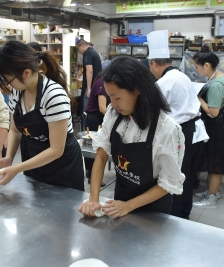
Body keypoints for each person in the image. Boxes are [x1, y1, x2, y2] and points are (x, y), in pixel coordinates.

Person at [78, 56, 185, 218]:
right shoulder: (114, 115)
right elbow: (100, 156)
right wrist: (93, 200)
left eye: (117, 97)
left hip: (153, 209)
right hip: (121, 199)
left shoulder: (166, 128)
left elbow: (168, 182)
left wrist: (129, 206)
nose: (112, 104)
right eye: (110, 97)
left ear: (137, 89)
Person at [0, 40, 84, 191]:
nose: (7, 86)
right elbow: (14, 130)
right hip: (33, 160)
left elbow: (56, 150)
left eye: (8, 81)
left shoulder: (53, 95)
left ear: (26, 73)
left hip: (62, 167)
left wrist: (17, 169)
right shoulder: (17, 91)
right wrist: (9, 158)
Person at [149, 57, 202, 219]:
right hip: (195, 131)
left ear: (154, 64)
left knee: (175, 177)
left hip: (180, 134)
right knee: (189, 177)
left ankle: (175, 218)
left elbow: (153, 112)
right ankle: (185, 213)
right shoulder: (183, 75)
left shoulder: (163, 83)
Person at [192, 45, 224, 209]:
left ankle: (212, 198)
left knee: (215, 165)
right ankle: (210, 191)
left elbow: (214, 112)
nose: (196, 70)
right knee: (212, 162)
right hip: (219, 129)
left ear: (207, 65)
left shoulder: (216, 85)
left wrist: (198, 97)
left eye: (197, 66)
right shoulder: (218, 77)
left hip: (218, 130)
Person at [84, 62, 111, 187]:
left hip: (98, 117)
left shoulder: (104, 81)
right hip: (94, 117)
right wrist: (115, 118)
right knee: (94, 147)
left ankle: (92, 175)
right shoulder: (102, 83)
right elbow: (102, 107)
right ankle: (92, 176)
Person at [76, 39, 102, 128]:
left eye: (78, 49)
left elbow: (89, 70)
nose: (79, 52)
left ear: (82, 46)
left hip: (91, 86)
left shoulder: (87, 54)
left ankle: (85, 131)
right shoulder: (94, 52)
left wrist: (89, 88)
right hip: (97, 85)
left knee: (86, 110)